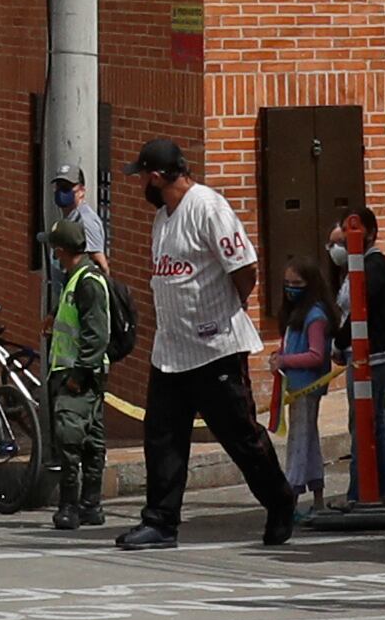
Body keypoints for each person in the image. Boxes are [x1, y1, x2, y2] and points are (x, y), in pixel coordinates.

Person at [121, 135, 297, 551]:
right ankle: (160, 522)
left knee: (240, 436)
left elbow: (244, 267)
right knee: (162, 438)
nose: (141, 184)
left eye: (143, 176)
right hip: (171, 350)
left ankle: (280, 501)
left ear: (158, 176)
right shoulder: (163, 217)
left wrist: (228, 308)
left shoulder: (208, 208)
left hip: (215, 348)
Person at [331, 205, 385, 514]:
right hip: (368, 353)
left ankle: (365, 491)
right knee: (370, 419)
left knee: (368, 420)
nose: (343, 239)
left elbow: (360, 311)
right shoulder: (358, 265)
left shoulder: (373, 266)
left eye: (350, 230)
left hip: (376, 355)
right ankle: (377, 489)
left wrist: (339, 343)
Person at [46, 201, 119, 531]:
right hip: (85, 374)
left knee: (71, 442)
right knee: (91, 441)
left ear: (62, 250)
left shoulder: (86, 282)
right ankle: (91, 506)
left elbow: (95, 335)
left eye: (55, 248)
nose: (53, 253)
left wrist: (77, 375)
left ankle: (70, 508)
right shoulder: (76, 278)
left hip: (79, 375)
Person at [272, 268, 336, 513]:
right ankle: (317, 498)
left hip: (307, 387)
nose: (290, 288)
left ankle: (291, 499)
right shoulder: (296, 314)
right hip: (295, 386)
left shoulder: (315, 316)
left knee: (299, 442)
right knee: (308, 440)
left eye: (297, 283)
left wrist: (285, 361)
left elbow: (316, 355)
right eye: (287, 282)